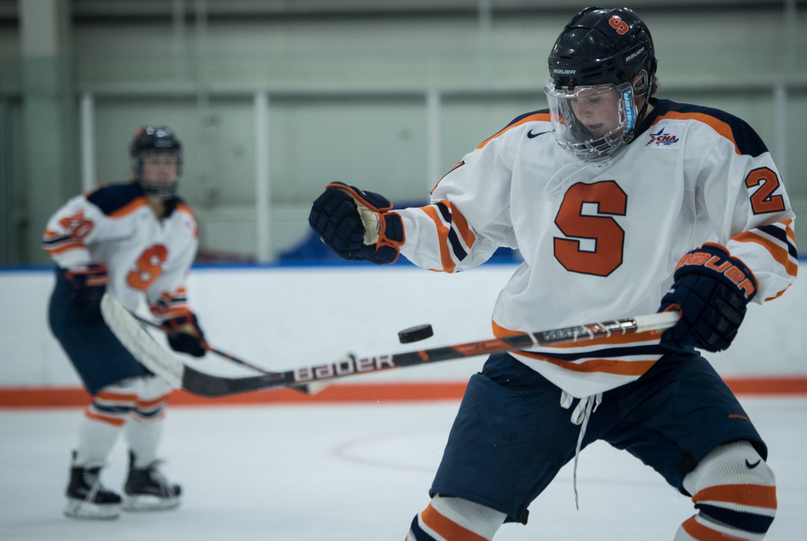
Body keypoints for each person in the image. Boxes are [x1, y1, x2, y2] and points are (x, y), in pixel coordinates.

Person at [308, 6, 797, 540]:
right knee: (456, 526)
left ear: (638, 85)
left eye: (594, 99)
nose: (578, 115)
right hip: (533, 367)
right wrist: (384, 228)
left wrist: (730, 272)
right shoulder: (526, 142)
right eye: (566, 100)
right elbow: (454, 230)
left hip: (652, 364)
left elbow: (773, 235)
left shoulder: (707, 141)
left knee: (743, 497)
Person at [44, 126, 208, 519]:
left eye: (168, 161)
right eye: (153, 161)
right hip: (80, 312)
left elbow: (166, 287)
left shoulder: (183, 222)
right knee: (122, 388)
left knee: (155, 384)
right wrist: (80, 270)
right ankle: (83, 483)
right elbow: (58, 232)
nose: (162, 169)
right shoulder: (112, 200)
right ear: (137, 165)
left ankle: (142, 476)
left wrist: (181, 325)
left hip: (124, 317)